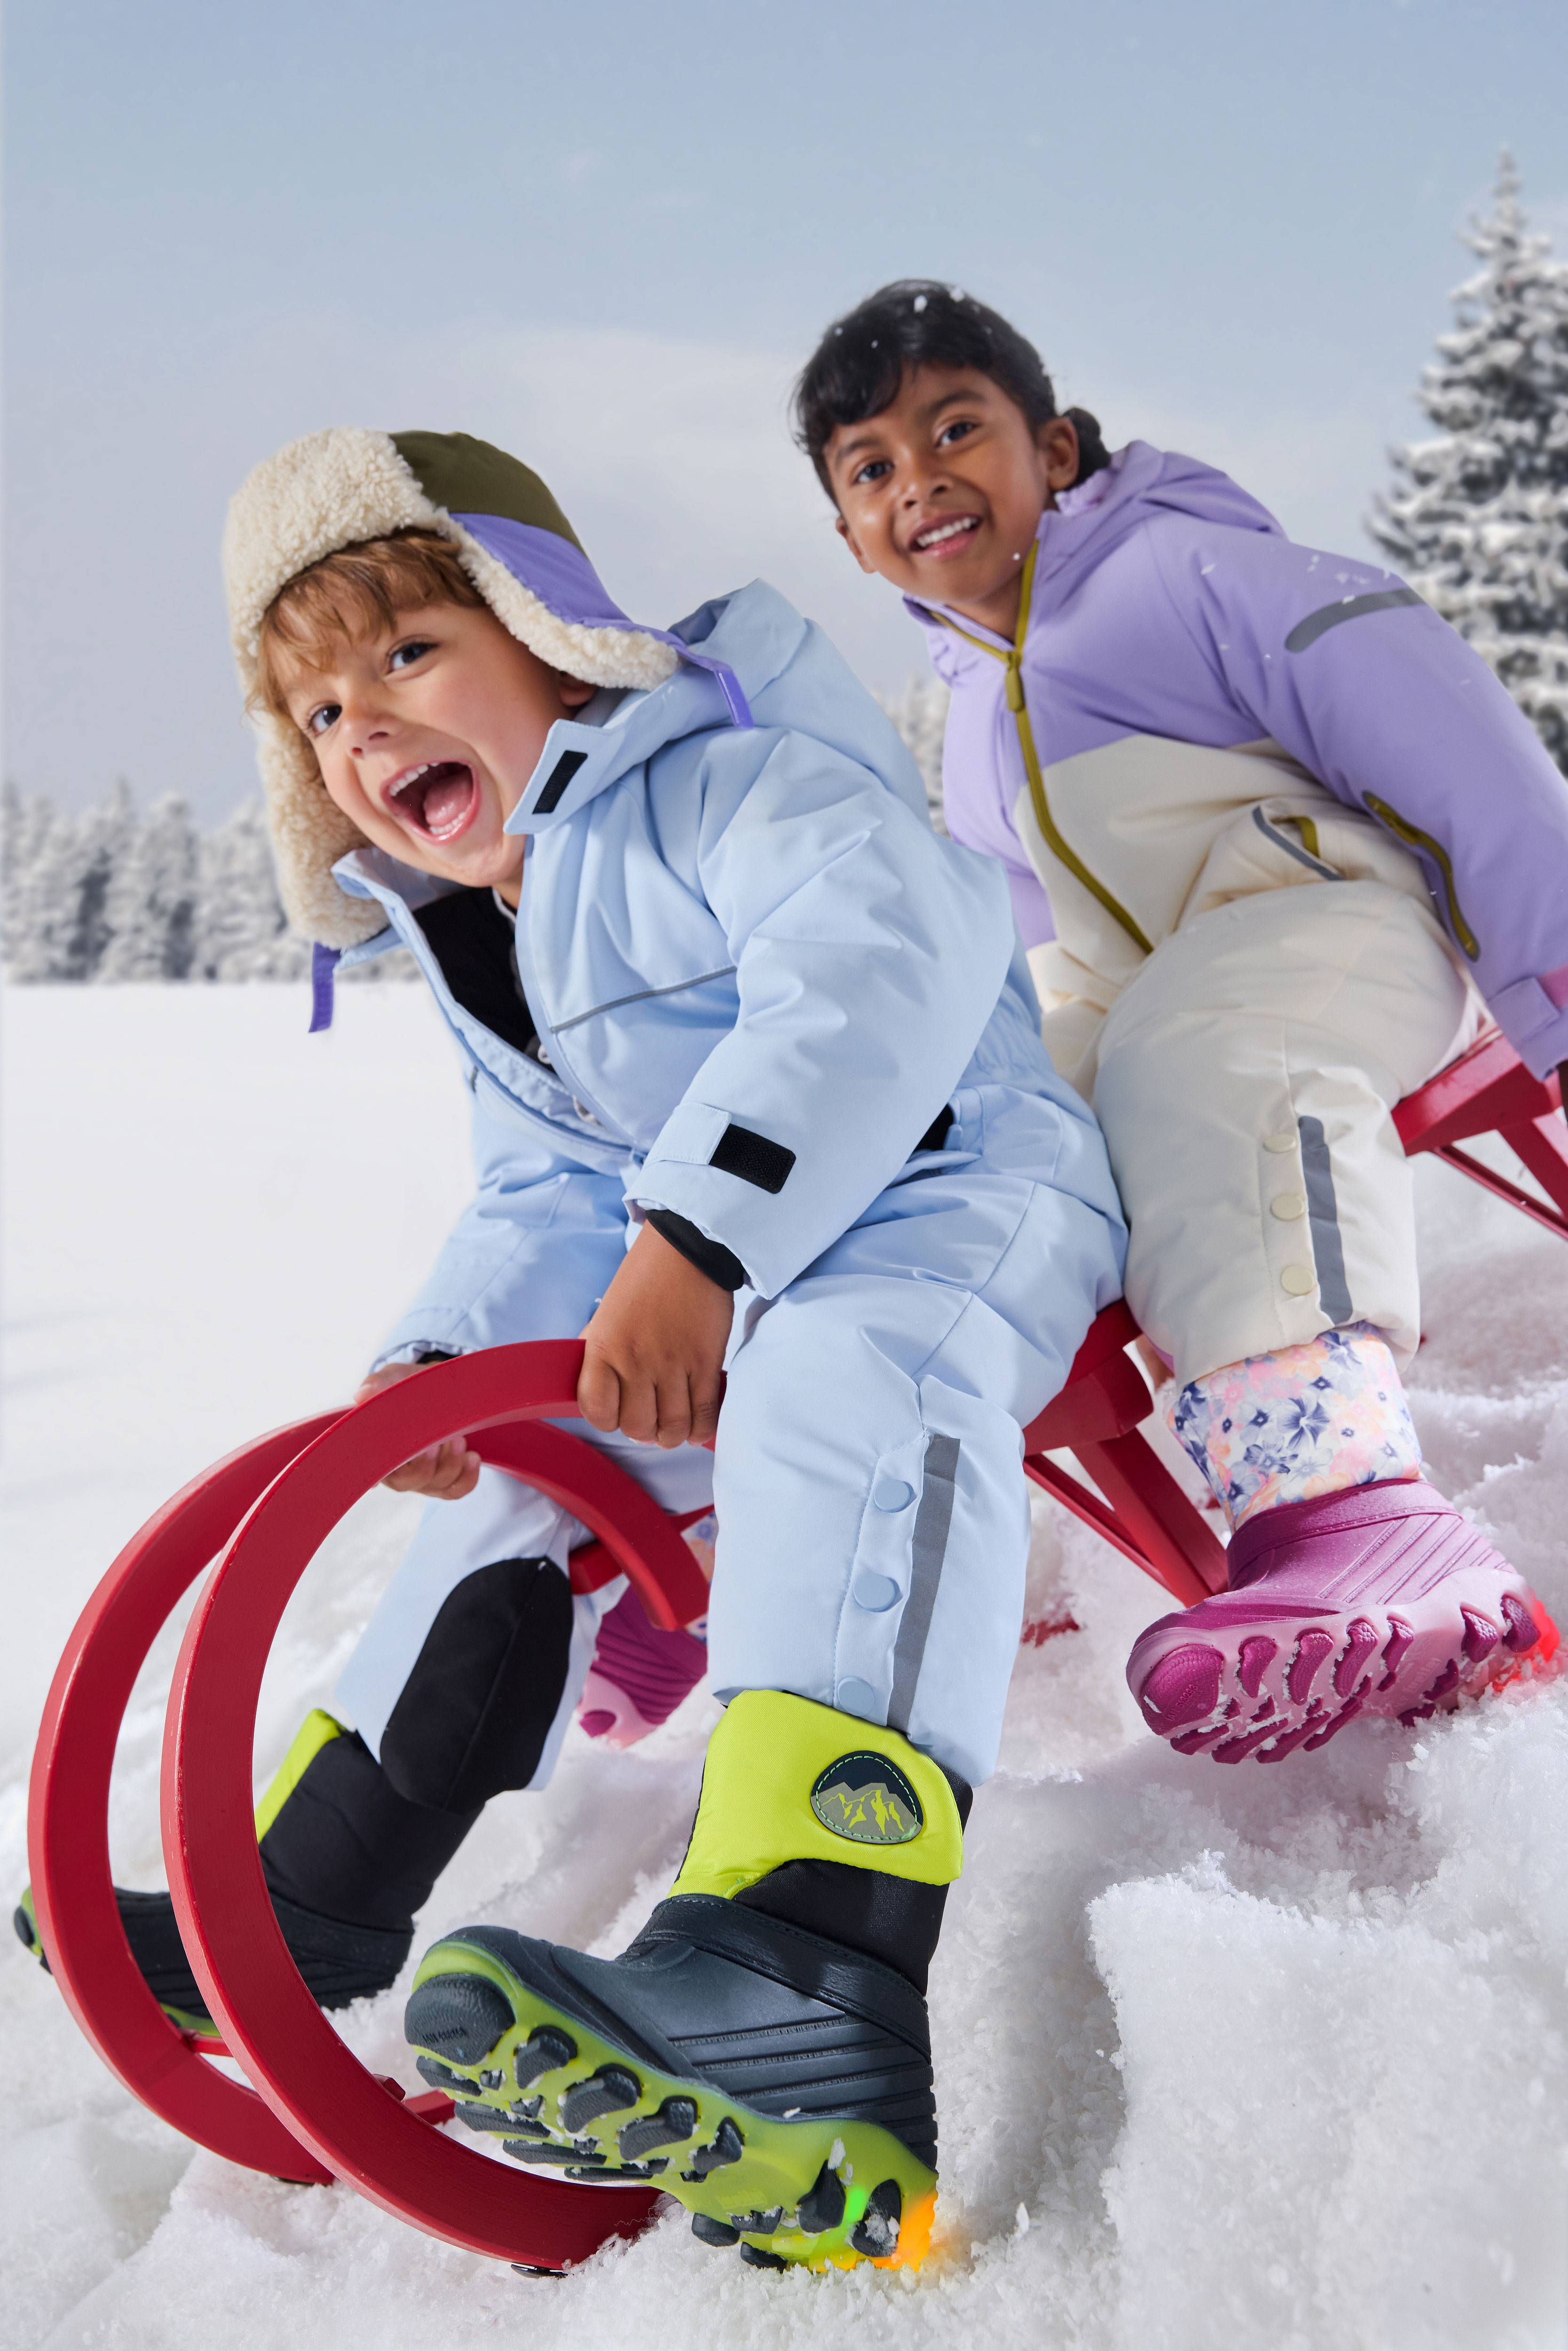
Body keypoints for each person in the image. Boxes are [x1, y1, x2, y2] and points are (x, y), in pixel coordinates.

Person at [182, 425, 1119, 2270]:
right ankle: (314, 1895)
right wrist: (447, 1353)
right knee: (524, 1482)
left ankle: (810, 1960)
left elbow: (887, 954)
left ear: (549, 632)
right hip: (727, 1267)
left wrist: (699, 1235)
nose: (364, 729)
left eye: (405, 655)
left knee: (839, 1380)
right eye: (316, 713)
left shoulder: (724, 785)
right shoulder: (494, 925)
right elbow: (543, 1190)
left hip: (953, 1189)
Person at [794, 281, 1559, 1768]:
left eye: (957, 430)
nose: (920, 481)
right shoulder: (971, 710)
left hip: (1336, 918)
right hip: (1139, 981)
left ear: (1056, 449)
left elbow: (1452, 739)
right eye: (872, 468)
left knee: (1213, 1061)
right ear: (847, 536)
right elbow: (1024, 945)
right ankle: (901, 1535)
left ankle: (1357, 1515)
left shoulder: (1190, 574)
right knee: (966, 1145)